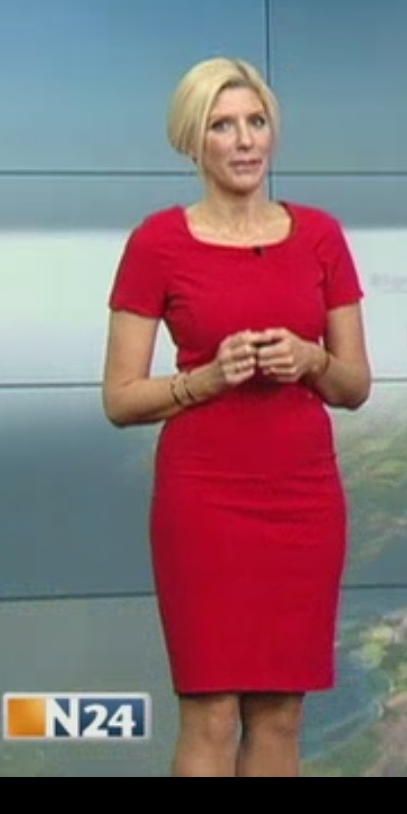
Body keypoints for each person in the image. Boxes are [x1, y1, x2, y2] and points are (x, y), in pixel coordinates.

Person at [100, 57, 372, 776]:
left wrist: (311, 360)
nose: (246, 141)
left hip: (303, 498)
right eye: (224, 126)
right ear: (193, 141)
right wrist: (208, 379)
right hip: (205, 501)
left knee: (281, 713)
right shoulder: (157, 244)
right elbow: (120, 397)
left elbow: (354, 385)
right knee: (213, 713)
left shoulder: (320, 236)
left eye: (257, 122)